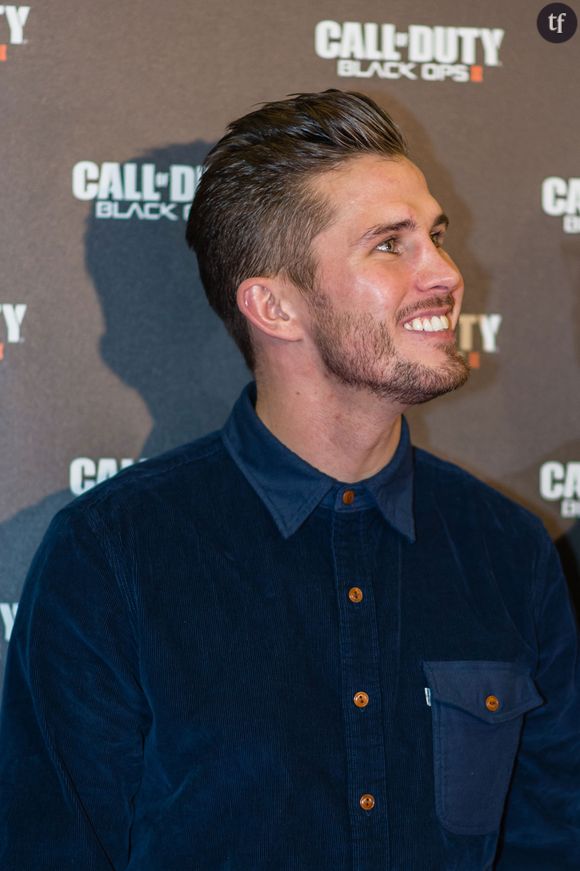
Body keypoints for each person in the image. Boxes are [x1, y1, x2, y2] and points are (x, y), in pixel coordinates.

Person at [0, 90, 578, 870]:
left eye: (436, 236)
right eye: (389, 244)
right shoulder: (112, 557)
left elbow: (551, 839)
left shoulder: (508, 549)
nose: (445, 272)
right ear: (273, 305)